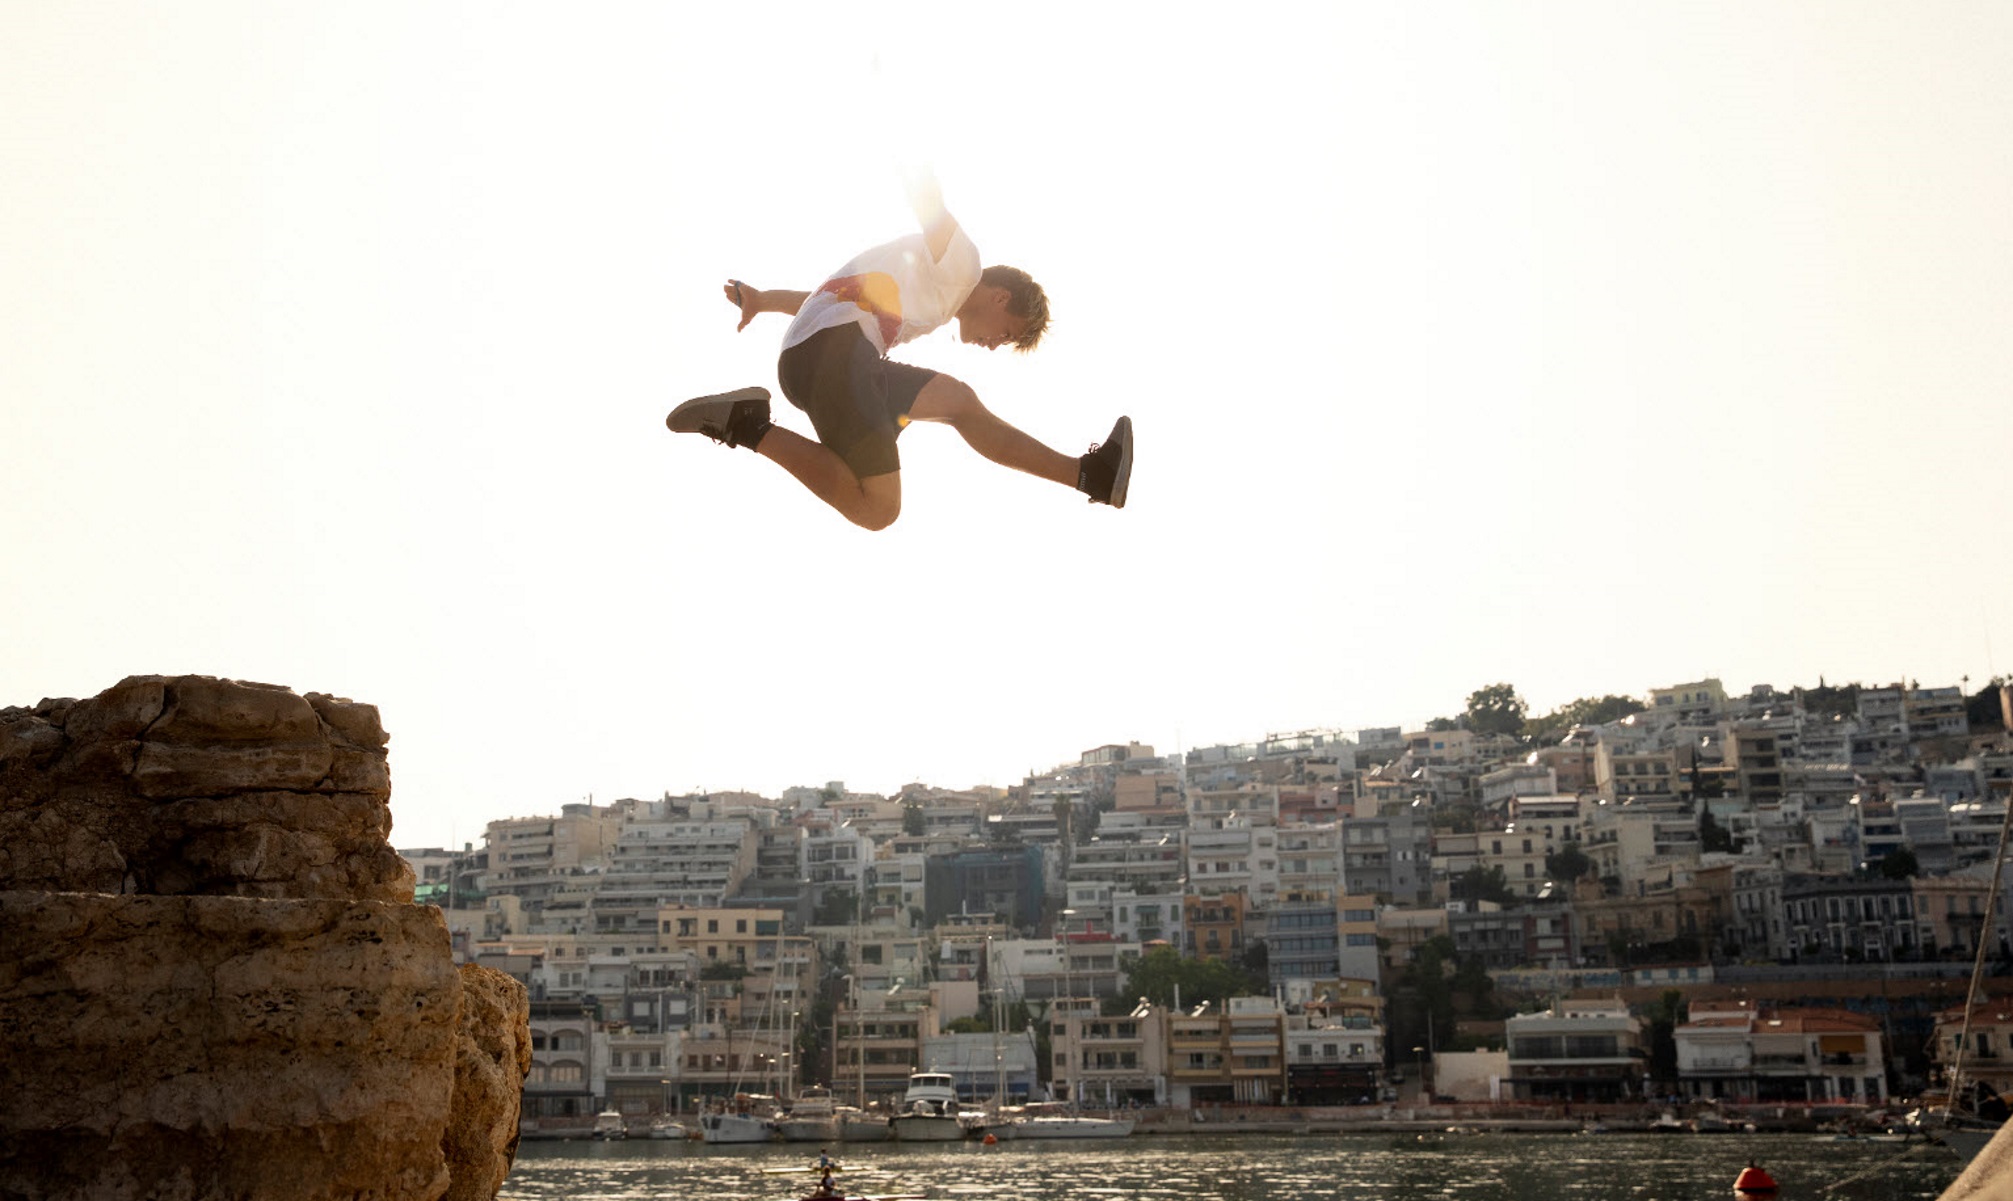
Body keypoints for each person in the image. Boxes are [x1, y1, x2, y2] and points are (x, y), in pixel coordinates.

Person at [667, 171, 1133, 530]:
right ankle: (746, 426)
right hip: (837, 356)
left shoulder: (927, 298)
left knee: (958, 402)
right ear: (1001, 298)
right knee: (878, 508)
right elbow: (924, 194)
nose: (994, 346)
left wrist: (764, 300)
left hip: (824, 354)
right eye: (1006, 334)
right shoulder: (960, 267)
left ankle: (1089, 475)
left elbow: (819, 303)